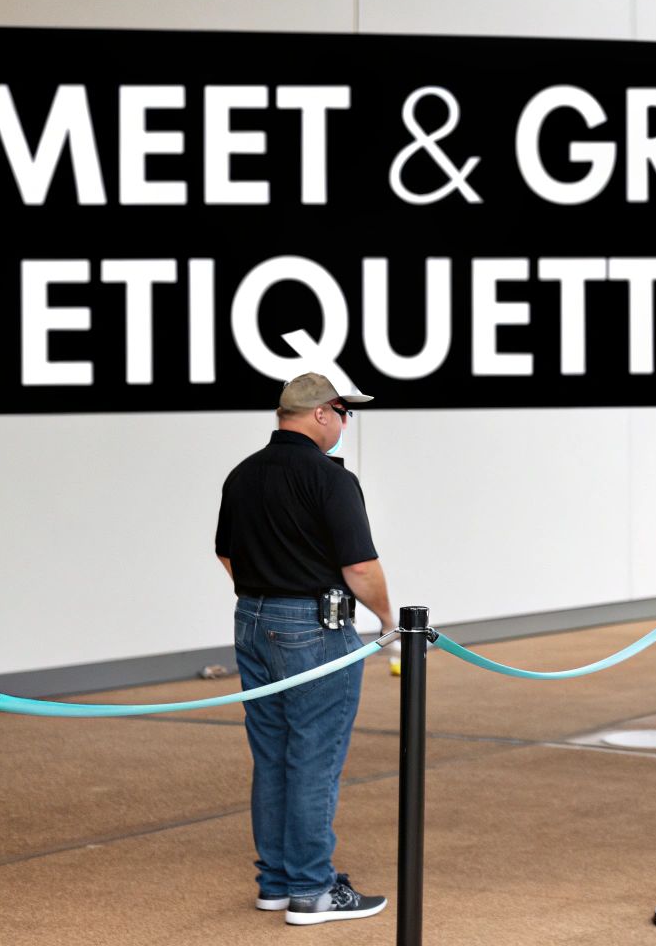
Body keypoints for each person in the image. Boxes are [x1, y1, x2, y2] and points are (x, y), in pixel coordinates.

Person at [214, 373, 393, 925]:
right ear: (322, 413)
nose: (344, 425)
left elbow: (225, 555)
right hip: (315, 627)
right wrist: (388, 619)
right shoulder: (330, 479)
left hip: (252, 619)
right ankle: (313, 892)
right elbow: (359, 567)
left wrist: (267, 602)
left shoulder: (242, 474)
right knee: (314, 758)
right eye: (345, 413)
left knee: (272, 757)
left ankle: (276, 882)